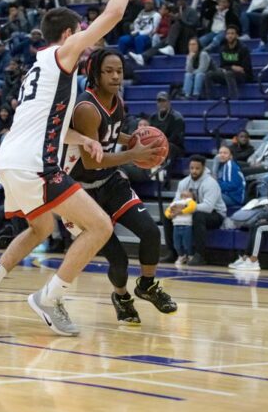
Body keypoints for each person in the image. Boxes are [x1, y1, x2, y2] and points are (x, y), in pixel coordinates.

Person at [0, 0, 135, 337]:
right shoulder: (64, 54)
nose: (87, 40)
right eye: (81, 32)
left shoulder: (39, 65)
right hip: (34, 163)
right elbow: (113, 16)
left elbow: (41, 123)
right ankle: (51, 297)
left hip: (10, 159)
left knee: (41, 227)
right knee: (100, 227)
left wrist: (79, 139)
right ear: (68, 34)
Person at [61, 48, 175, 324]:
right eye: (108, 71)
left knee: (150, 232)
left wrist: (134, 140)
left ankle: (147, 285)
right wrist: (133, 155)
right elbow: (91, 161)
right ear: (95, 75)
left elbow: (109, 136)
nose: (115, 76)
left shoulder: (118, 103)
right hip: (80, 192)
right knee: (119, 260)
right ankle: (122, 297)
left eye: (119, 71)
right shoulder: (86, 109)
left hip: (110, 181)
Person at [162, 155, 227, 266]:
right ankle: (173, 252)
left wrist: (183, 210)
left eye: (197, 168)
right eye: (192, 168)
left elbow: (208, 207)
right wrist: (173, 209)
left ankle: (200, 255)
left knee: (198, 216)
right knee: (167, 216)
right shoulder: (184, 183)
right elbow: (176, 201)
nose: (194, 171)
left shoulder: (211, 183)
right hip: (191, 212)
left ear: (203, 168)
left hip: (215, 215)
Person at [206, 25, 252, 100]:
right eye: (228, 33)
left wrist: (230, 68)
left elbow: (245, 68)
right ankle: (210, 99)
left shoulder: (243, 48)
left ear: (237, 35)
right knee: (209, 74)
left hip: (243, 76)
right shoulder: (223, 49)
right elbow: (222, 66)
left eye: (232, 33)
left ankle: (234, 100)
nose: (230, 36)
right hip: (228, 73)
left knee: (229, 73)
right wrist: (232, 67)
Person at [149, 92, 185, 166]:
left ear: (169, 102)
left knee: (169, 146)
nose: (161, 103)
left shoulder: (177, 117)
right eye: (159, 101)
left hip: (175, 147)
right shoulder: (153, 117)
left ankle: (165, 173)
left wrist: (161, 144)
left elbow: (176, 138)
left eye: (164, 101)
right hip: (158, 145)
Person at [165, 189, 196, 265]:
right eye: (183, 195)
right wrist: (169, 215)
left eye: (188, 195)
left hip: (187, 225)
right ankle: (181, 256)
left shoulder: (190, 202)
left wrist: (181, 211)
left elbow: (192, 207)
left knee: (187, 243)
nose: (185, 197)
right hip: (176, 225)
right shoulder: (175, 203)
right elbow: (167, 210)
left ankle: (190, 256)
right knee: (177, 244)